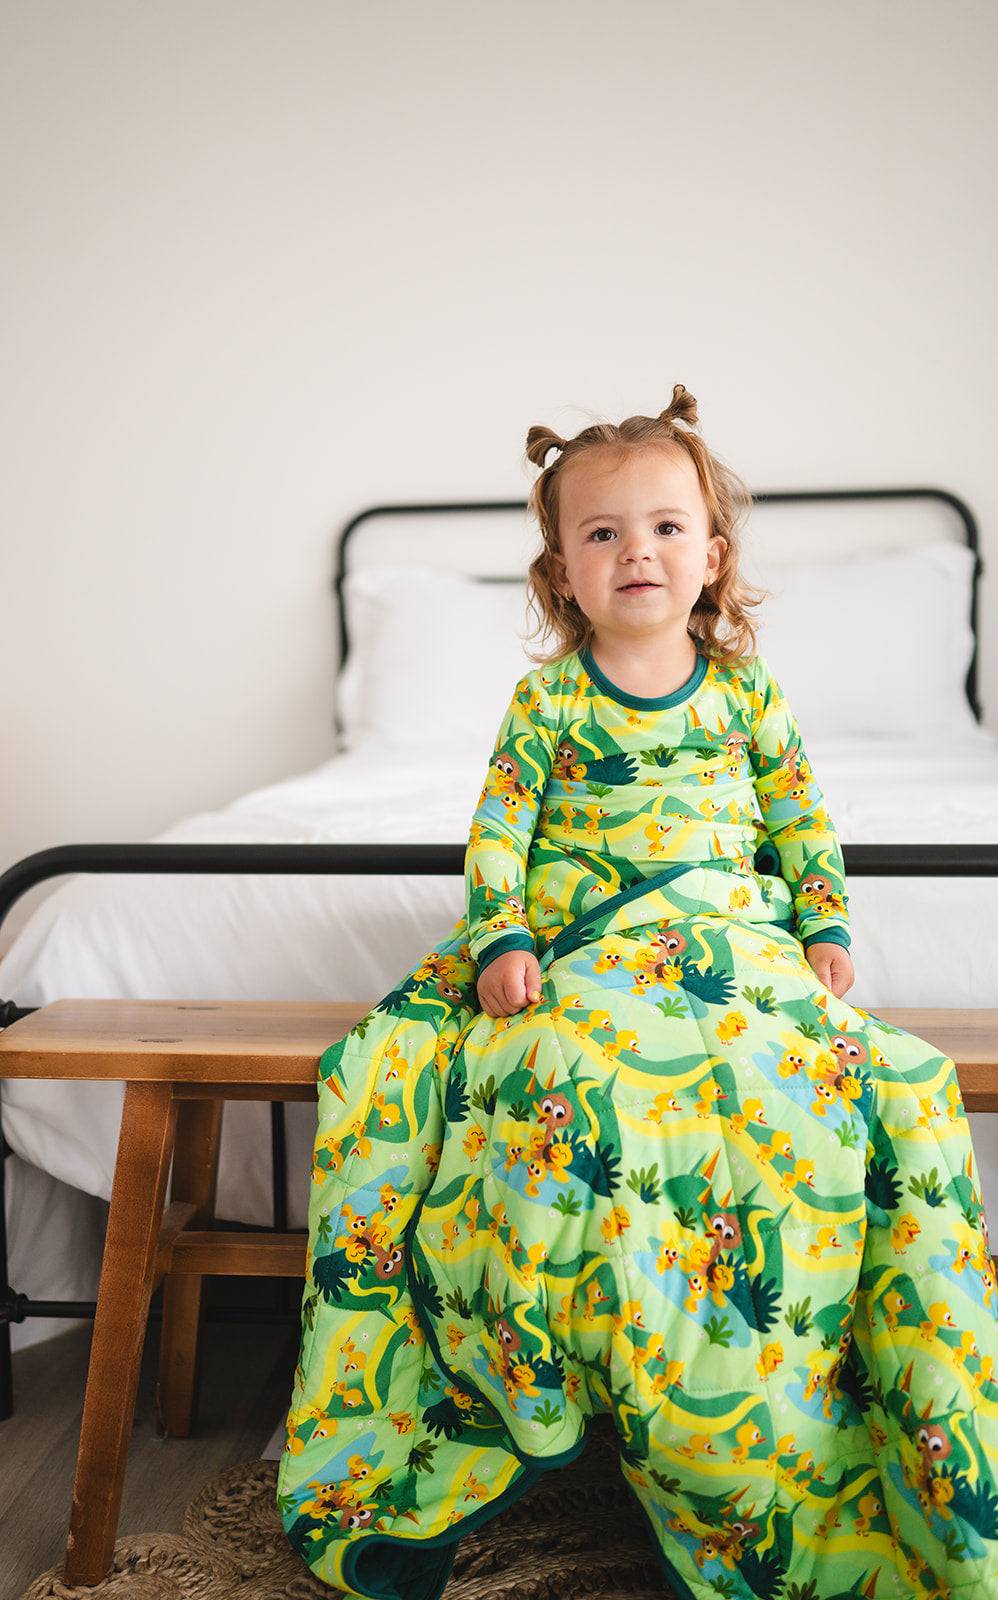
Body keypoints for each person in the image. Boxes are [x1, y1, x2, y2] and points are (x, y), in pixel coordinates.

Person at [278, 387, 998, 1600]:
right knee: (571, 1066)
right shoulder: (548, 700)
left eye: (665, 527)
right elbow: (497, 835)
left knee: (848, 1074)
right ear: (560, 569)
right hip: (587, 937)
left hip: (725, 930)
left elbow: (798, 821)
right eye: (601, 532)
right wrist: (500, 934)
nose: (637, 552)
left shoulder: (744, 691)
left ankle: (763, 1436)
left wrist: (819, 923)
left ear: (712, 553)